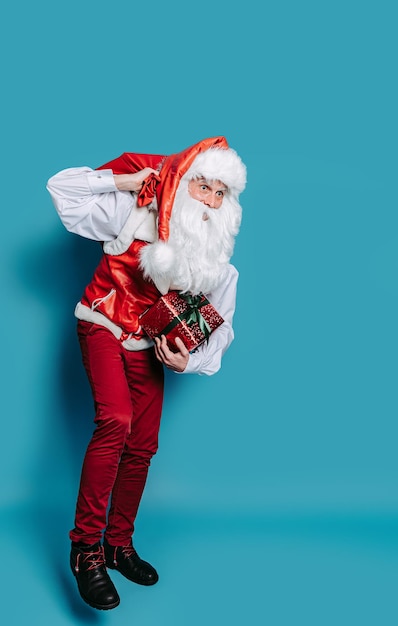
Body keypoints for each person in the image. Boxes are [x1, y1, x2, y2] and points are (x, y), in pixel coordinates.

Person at [47, 136, 247, 611]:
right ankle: (86, 549)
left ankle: (118, 544)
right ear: (182, 182)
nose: (211, 201)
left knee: (144, 442)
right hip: (100, 321)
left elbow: (222, 330)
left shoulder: (216, 265)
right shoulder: (133, 211)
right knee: (115, 420)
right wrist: (123, 180)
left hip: (144, 344)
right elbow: (61, 189)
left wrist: (188, 361)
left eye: (222, 193)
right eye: (203, 186)